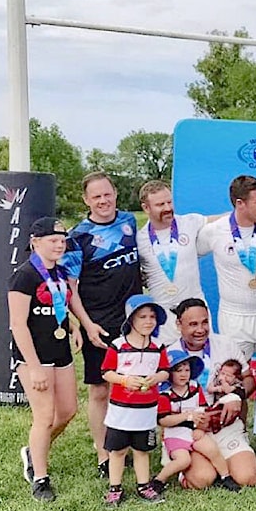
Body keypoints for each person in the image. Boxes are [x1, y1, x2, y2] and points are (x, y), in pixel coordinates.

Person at [62, 172, 142, 479]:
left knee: (133, 385)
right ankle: (103, 452)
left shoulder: (129, 222)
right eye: (96, 196)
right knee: (100, 390)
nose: (103, 201)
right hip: (99, 322)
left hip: (134, 320)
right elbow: (72, 289)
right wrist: (87, 325)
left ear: (116, 194)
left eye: (107, 194)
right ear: (86, 200)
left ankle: (132, 444)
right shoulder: (77, 237)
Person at [9, 217, 81, 502]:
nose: (59, 245)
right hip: (35, 356)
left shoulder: (61, 272)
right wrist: (34, 366)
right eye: (52, 240)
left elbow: (59, 304)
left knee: (68, 411)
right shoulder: (24, 275)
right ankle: (40, 478)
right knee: (45, 416)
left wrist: (74, 325)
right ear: (35, 242)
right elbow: (18, 324)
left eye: (62, 240)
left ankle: (33, 449)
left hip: (60, 349)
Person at [167, 298, 256, 489]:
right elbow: (161, 407)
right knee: (202, 480)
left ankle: (239, 459)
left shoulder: (226, 344)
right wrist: (188, 418)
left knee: (248, 478)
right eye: (193, 324)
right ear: (179, 324)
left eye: (204, 322)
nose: (201, 329)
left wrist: (235, 395)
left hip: (225, 426)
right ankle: (191, 463)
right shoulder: (170, 354)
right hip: (190, 432)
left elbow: (249, 379)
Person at [197, 175, 256, 361]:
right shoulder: (215, 231)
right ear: (240, 204)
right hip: (233, 318)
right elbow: (187, 256)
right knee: (233, 376)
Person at [100, 295, 170, 506]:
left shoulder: (158, 347)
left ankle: (143, 485)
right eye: (142, 317)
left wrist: (155, 378)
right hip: (121, 412)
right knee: (118, 450)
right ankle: (115, 488)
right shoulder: (118, 346)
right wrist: (124, 380)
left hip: (146, 411)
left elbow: (165, 371)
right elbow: (106, 372)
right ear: (131, 320)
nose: (149, 321)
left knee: (142, 450)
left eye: (152, 317)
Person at [152, 350, 242, 493]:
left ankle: (225, 476)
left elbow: (203, 410)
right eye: (178, 370)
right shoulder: (165, 394)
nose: (183, 374)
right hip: (176, 434)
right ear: (169, 373)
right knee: (183, 460)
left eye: (187, 370)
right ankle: (159, 480)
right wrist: (187, 416)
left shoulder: (194, 387)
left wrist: (200, 428)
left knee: (212, 449)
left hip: (195, 430)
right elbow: (163, 420)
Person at [136, 180, 209, 345]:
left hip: (195, 313)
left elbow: (226, 222)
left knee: (201, 364)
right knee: (168, 367)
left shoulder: (189, 222)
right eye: (160, 204)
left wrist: (255, 210)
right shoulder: (139, 239)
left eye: (169, 202)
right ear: (146, 208)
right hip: (163, 317)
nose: (168, 208)